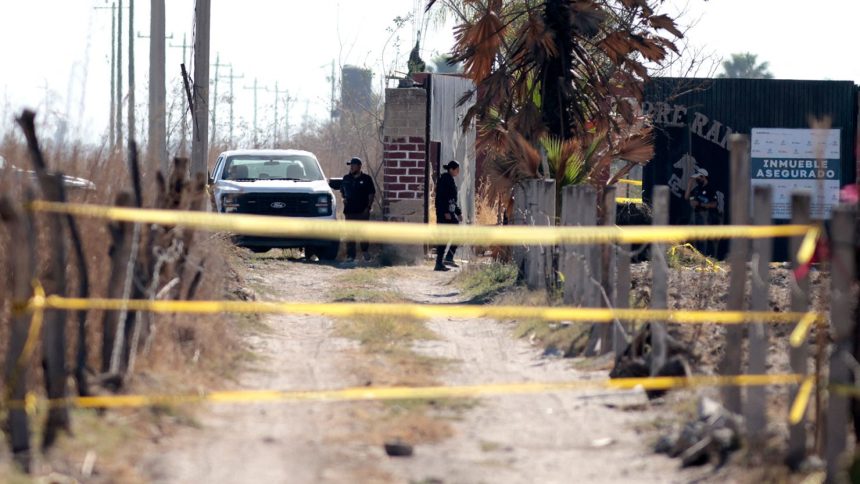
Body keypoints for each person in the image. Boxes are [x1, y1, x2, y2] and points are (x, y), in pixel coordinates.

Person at [341, 157, 376, 262]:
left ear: (359, 166)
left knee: (363, 234)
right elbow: (342, 191)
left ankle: (365, 253)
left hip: (362, 212)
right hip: (349, 211)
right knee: (350, 234)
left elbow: (372, 193)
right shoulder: (346, 178)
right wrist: (343, 199)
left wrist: (368, 207)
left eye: (353, 165)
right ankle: (351, 256)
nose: (351, 167)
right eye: (350, 165)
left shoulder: (366, 179)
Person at [434, 160, 462, 271]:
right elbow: (441, 198)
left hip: (449, 213)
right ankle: (439, 263)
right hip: (443, 214)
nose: (458, 172)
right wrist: (445, 212)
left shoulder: (450, 179)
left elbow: (452, 200)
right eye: (457, 170)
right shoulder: (444, 179)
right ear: (451, 169)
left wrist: (458, 212)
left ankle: (448, 258)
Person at [685, 167, 718, 256]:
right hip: (695, 215)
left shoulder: (710, 189)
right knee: (689, 236)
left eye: (698, 178)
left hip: (706, 216)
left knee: (702, 239)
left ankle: (703, 258)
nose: (697, 180)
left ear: (703, 177)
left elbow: (714, 204)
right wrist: (689, 185)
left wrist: (699, 204)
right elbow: (687, 197)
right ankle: (690, 256)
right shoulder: (697, 188)